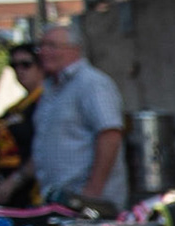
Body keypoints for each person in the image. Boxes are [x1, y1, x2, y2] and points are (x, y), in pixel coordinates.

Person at [28, 25, 127, 209]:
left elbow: (110, 135)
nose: (43, 52)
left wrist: (92, 193)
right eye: (41, 46)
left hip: (88, 203)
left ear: (74, 49)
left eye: (52, 46)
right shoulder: (51, 88)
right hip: (59, 200)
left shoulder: (91, 83)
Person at [0, 43, 44, 204]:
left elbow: (45, 149)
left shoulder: (46, 103)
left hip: (33, 189)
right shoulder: (14, 109)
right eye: (14, 66)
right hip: (5, 184)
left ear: (40, 66)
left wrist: (15, 180)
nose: (19, 70)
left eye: (26, 64)